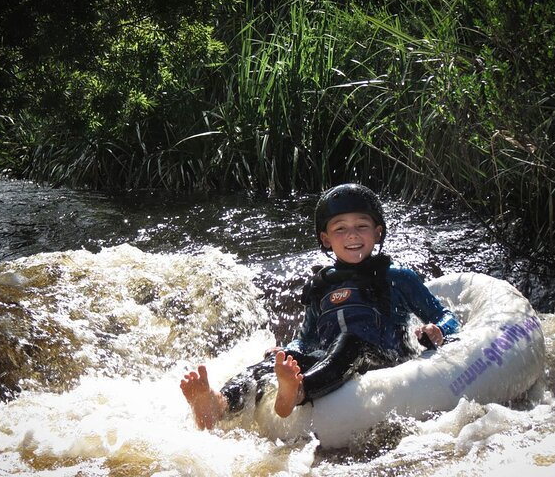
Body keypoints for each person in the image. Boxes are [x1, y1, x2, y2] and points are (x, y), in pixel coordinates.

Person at [180, 183, 460, 428]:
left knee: (352, 341)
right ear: (326, 238)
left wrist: (438, 330)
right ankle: (220, 403)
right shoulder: (321, 287)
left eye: (362, 226)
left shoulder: (397, 276)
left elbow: (445, 316)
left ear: (377, 232)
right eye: (341, 229)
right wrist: (287, 351)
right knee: (276, 361)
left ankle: (300, 391)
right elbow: (307, 339)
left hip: (383, 356)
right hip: (329, 359)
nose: (352, 235)